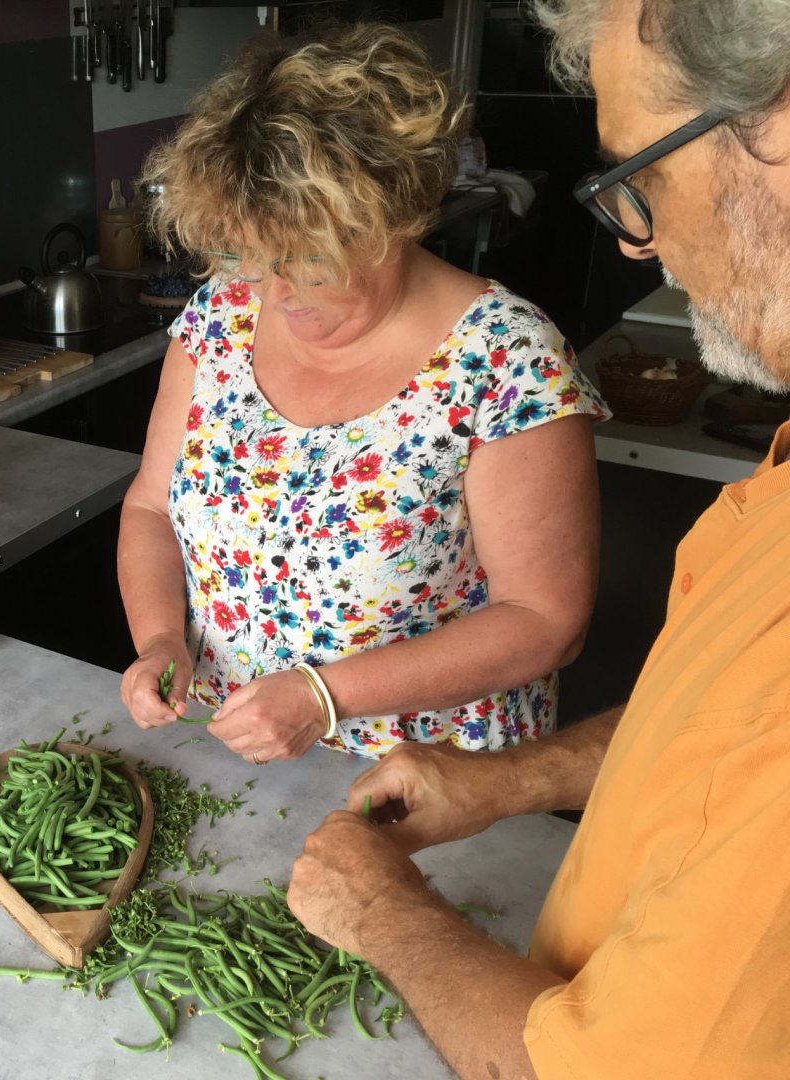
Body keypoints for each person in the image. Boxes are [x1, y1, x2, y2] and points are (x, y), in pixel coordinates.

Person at [286, 2, 790, 1077]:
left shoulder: (502, 349)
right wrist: (507, 781)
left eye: (640, 173)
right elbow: (710, 741)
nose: (635, 238)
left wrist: (379, 915)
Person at [117, 24, 608, 763]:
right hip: (238, 750)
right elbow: (151, 507)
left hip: (428, 780)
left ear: (395, 218)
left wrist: (324, 696)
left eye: (308, 259)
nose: (275, 292)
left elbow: (546, 619)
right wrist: (160, 638)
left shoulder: (505, 360)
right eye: (252, 255)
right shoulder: (221, 314)